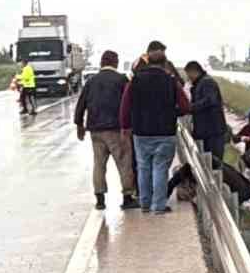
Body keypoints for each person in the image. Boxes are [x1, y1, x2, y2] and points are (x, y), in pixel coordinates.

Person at [119, 41, 189, 214]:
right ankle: (158, 205)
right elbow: (185, 106)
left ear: (147, 61)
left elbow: (125, 106)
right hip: (165, 131)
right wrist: (173, 112)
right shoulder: (171, 81)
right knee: (160, 167)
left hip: (141, 131)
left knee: (143, 167)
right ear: (165, 62)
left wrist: (125, 126)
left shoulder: (135, 81)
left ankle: (144, 203)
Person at [73, 50, 139, 210]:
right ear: (115, 62)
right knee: (124, 162)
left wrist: (79, 125)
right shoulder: (122, 80)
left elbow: (81, 105)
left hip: (95, 130)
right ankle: (127, 197)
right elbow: (130, 104)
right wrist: (130, 126)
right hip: (116, 129)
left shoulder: (91, 81)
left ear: (101, 62)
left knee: (99, 164)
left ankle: (100, 199)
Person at [185, 61, 226, 163]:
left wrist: (191, 107)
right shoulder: (200, 83)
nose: (188, 78)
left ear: (194, 72)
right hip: (207, 130)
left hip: (212, 131)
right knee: (208, 161)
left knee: (214, 162)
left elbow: (210, 100)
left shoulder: (207, 82)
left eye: (188, 75)